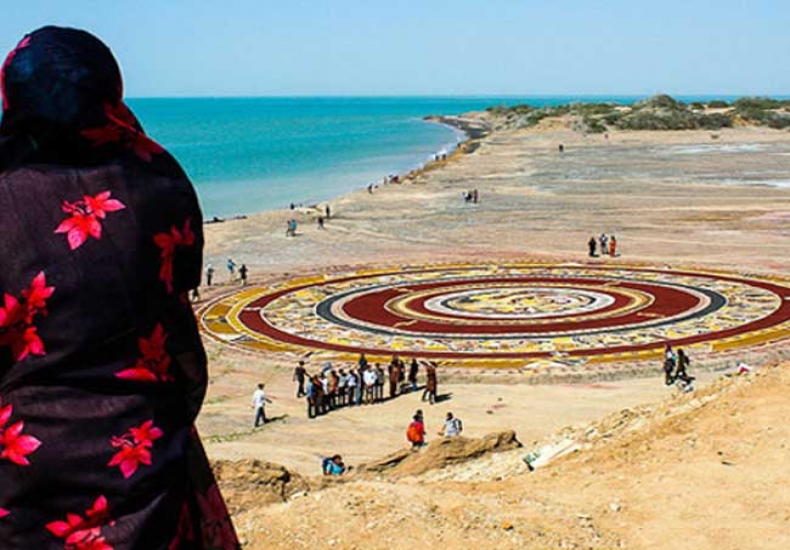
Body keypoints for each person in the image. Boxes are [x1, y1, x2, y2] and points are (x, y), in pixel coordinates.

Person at [0, 27, 240, 548]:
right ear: (109, 89)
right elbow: (173, 313)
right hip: (142, 453)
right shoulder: (157, 177)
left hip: (25, 470)